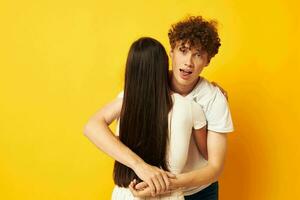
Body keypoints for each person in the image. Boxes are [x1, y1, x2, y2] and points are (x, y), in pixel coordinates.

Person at [85, 16, 234, 200]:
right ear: (171, 51)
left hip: (199, 190)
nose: (189, 62)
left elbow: (215, 167)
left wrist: (169, 182)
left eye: (198, 54)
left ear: (208, 61)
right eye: (183, 50)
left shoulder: (213, 99)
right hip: (156, 189)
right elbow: (92, 126)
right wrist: (140, 166)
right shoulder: (148, 85)